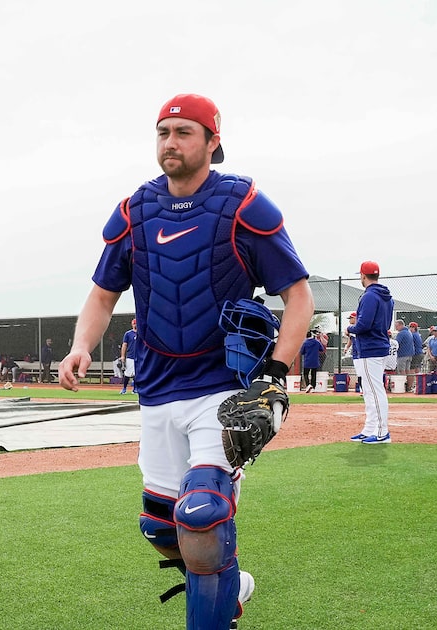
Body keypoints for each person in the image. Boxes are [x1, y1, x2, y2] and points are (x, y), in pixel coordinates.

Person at [59, 94, 313, 629]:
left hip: (221, 389)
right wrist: (81, 345)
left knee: (202, 513)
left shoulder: (243, 204)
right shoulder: (135, 211)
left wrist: (275, 375)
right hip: (157, 389)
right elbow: (103, 295)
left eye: (183, 132)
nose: (170, 142)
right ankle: (229, 584)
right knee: (161, 527)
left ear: (212, 142)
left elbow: (299, 295)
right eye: (163, 132)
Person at [347, 261, 395, 444]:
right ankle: (369, 429)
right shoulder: (387, 297)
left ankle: (383, 433)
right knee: (369, 390)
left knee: (375, 391)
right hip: (377, 345)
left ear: (363, 275)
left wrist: (350, 328)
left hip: (370, 347)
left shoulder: (369, 296)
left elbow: (363, 325)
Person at [393, 320, 415, 391]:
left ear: (400, 325)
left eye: (396, 326)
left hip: (402, 355)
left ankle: (402, 387)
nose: (396, 328)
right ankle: (409, 386)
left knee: (401, 370)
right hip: (409, 354)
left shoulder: (401, 333)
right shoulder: (409, 332)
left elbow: (396, 343)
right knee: (407, 370)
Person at [120, 319, 140, 395]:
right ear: (132, 324)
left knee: (136, 374)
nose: (135, 325)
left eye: (136, 324)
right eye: (134, 324)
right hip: (130, 356)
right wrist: (122, 356)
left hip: (139, 356)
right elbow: (124, 345)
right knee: (128, 373)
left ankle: (135, 389)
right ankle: (124, 388)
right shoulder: (128, 334)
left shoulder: (141, 333)